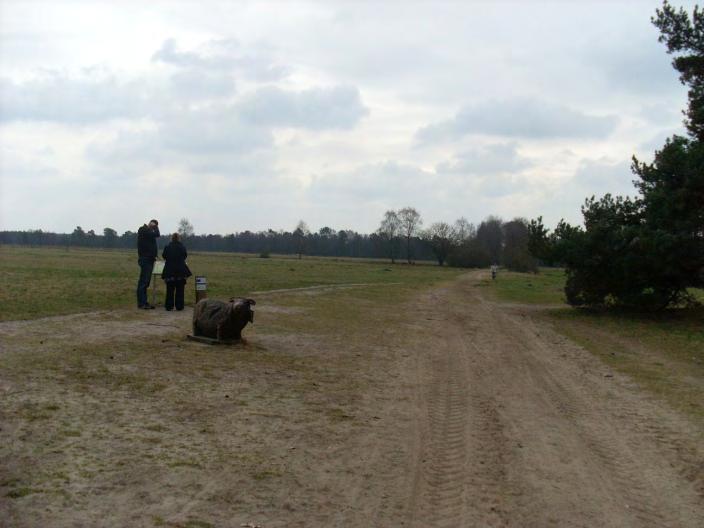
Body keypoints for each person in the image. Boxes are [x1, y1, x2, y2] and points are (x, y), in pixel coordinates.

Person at [161, 232, 192, 311]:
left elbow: (164, 256)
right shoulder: (182, 247)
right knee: (180, 290)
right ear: (179, 238)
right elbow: (185, 256)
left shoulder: (167, 247)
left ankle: (169, 306)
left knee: (169, 290)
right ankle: (179, 306)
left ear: (171, 238)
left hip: (169, 270)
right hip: (180, 271)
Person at [136, 219, 160, 309]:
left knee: (146, 282)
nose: (154, 227)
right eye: (154, 225)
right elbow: (157, 234)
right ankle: (142, 303)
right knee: (143, 282)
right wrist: (155, 227)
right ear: (150, 223)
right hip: (145, 259)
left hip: (149, 259)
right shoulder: (143, 229)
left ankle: (144, 302)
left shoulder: (149, 233)